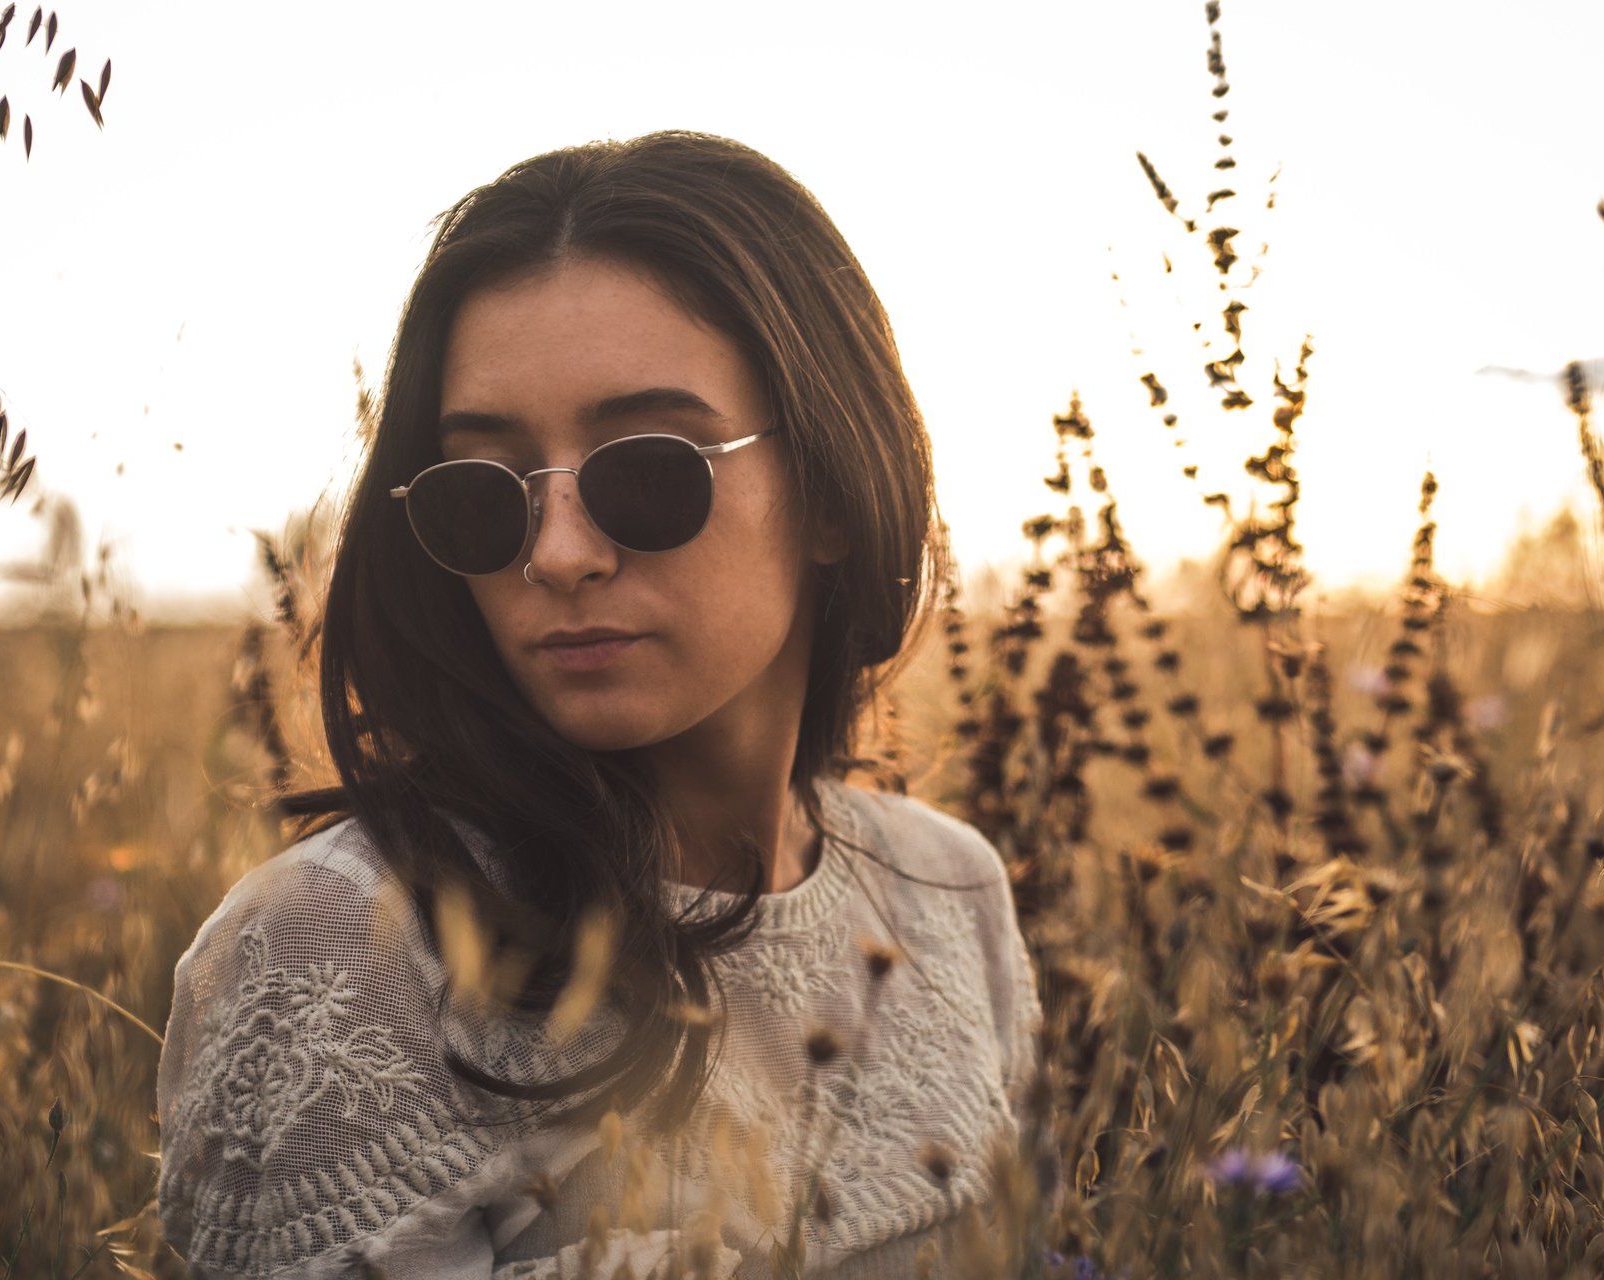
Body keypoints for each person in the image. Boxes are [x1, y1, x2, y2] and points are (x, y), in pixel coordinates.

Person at [155, 129, 1054, 1279]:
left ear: (831, 487)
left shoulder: (945, 896)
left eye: (646, 468)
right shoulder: (339, 950)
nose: (561, 552)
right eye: (483, 492)